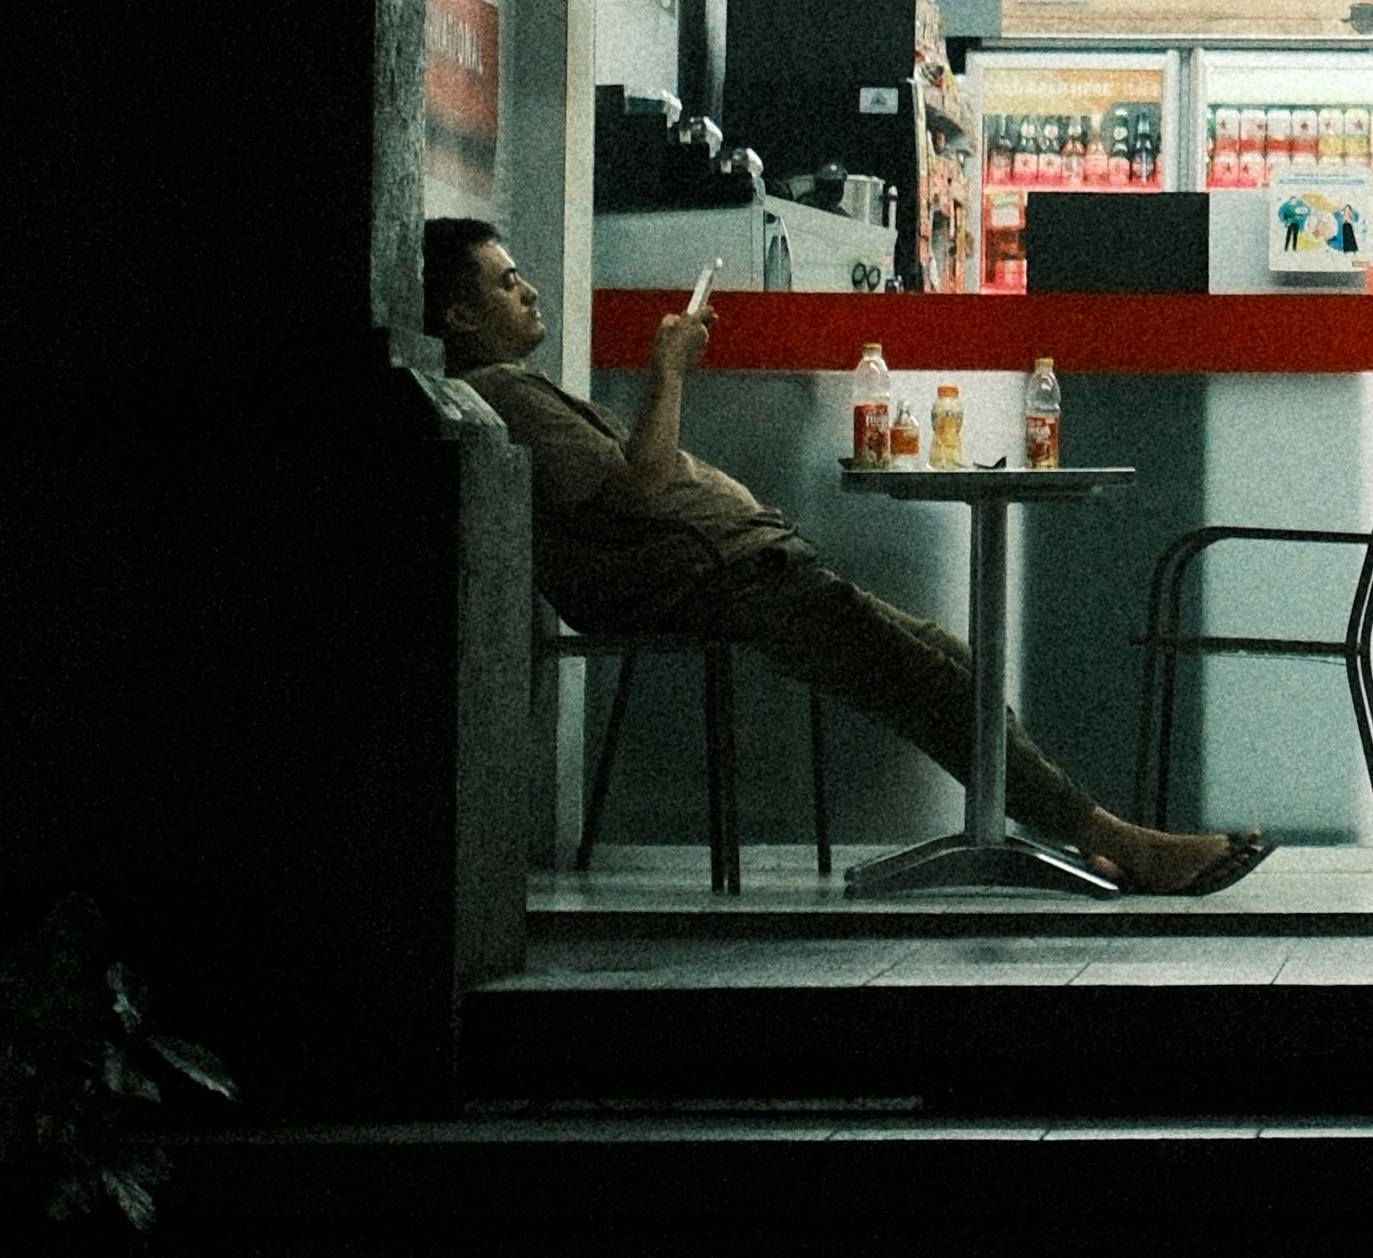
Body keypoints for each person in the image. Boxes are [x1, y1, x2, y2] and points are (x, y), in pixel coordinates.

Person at [423, 225, 1267, 899]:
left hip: (741, 569)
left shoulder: (514, 387)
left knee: (952, 661)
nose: (528, 289)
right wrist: (668, 368)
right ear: (459, 318)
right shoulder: (506, 395)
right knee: (930, 680)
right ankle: (1118, 842)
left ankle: (1075, 834)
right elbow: (640, 491)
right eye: (503, 282)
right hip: (719, 581)